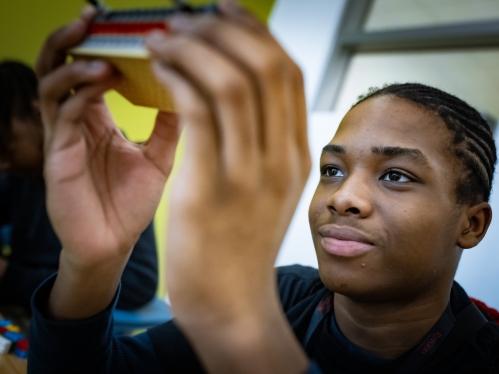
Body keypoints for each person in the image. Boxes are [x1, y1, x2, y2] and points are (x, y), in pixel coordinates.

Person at [27, 1, 499, 374]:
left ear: (471, 224)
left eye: (396, 175)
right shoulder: (282, 294)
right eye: (333, 170)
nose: (342, 197)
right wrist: (95, 261)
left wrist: (240, 325)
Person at [0, 60, 159, 313]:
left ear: (39, 114)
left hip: (74, 329)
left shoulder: (112, 168)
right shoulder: (18, 176)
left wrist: (12, 276)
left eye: (6, 146)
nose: (2, 164)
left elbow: (139, 285)